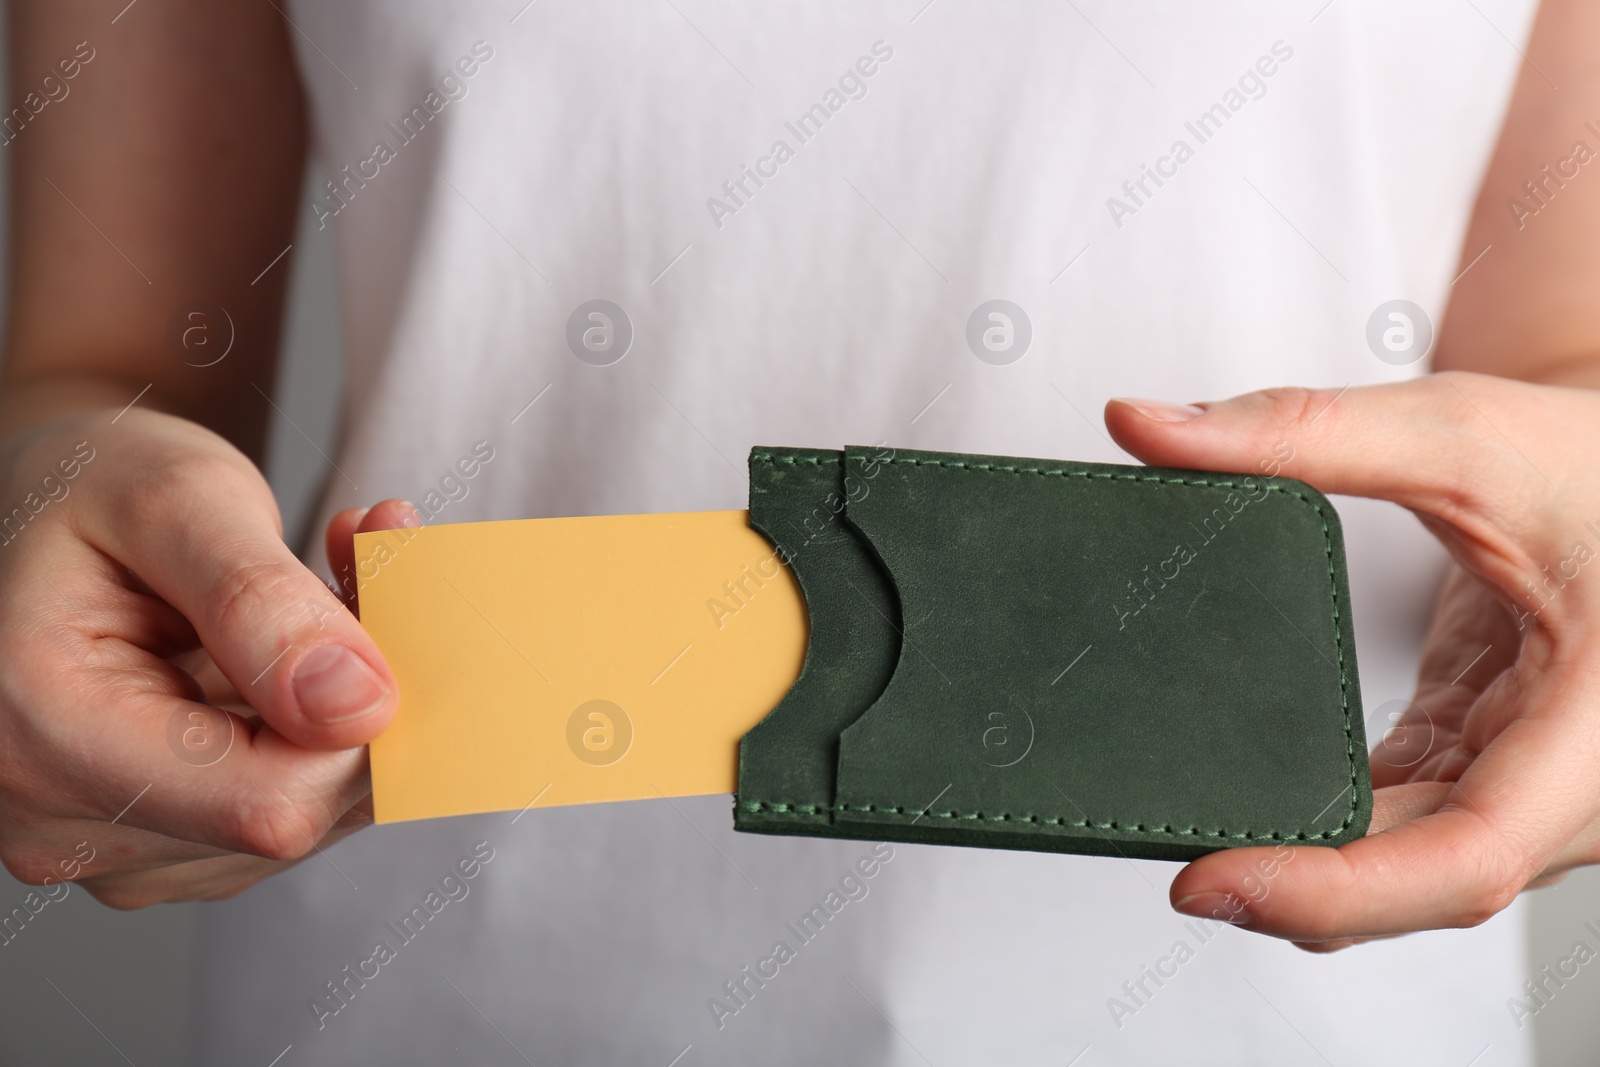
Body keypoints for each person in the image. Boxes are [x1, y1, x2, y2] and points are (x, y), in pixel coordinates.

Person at [1, 0, 1591, 1062]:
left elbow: (1566, 363)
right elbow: (98, 360)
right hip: (428, 964)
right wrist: (53, 499)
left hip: (1298, 980)